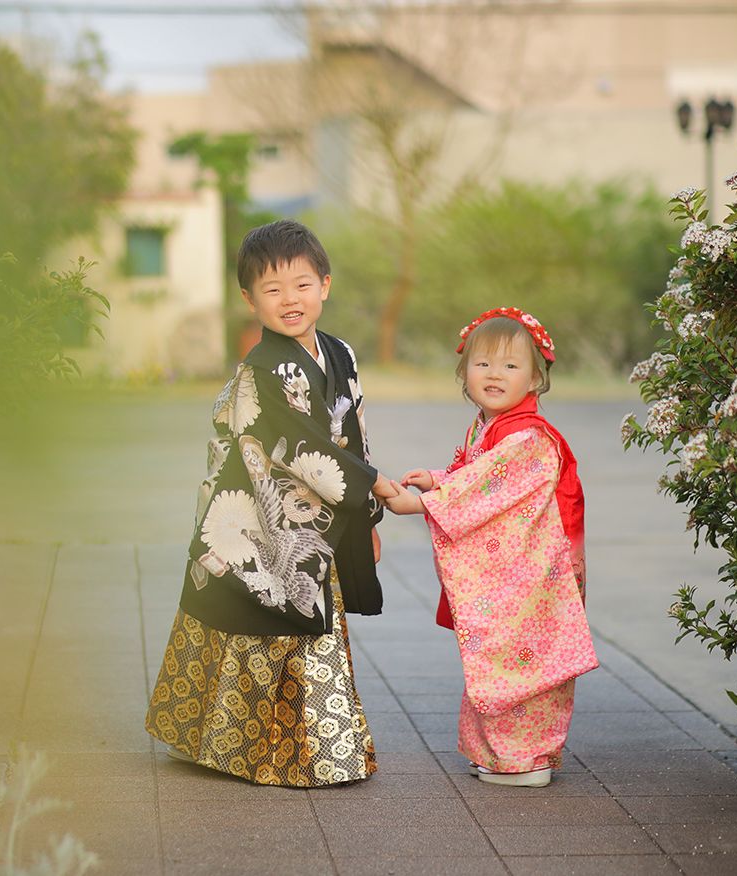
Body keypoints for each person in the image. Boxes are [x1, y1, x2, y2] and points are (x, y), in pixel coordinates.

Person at [145, 219, 395, 787]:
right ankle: (307, 753)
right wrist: (375, 486)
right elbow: (299, 446)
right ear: (248, 299)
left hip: (321, 518)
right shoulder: (261, 370)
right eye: (273, 289)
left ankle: (241, 741)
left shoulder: (341, 354)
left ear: (325, 285)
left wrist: (366, 519)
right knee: (261, 616)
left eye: (303, 285)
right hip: (260, 519)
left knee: (292, 623)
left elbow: (352, 434)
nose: (290, 300)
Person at [377, 307, 596, 787]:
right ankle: (503, 757)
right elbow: (480, 476)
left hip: (534, 574)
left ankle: (526, 761)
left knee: (520, 660)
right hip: (524, 570)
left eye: (511, 366)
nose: (495, 374)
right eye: (483, 364)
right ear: (464, 374)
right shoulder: (494, 427)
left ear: (536, 379)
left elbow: (487, 487)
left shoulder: (528, 437)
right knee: (506, 656)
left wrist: (423, 504)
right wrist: (438, 479)